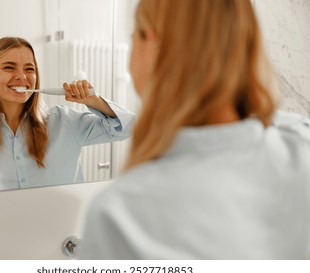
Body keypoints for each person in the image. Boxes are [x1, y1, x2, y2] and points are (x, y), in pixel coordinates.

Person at [79, 0, 310, 259]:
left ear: (153, 45)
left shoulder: (122, 216)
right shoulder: (301, 147)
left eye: (135, 35)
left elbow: (121, 125)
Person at [0, 37, 135, 196]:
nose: (22, 76)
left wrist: (93, 101)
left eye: (29, 68)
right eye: (9, 67)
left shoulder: (65, 123)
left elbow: (129, 127)